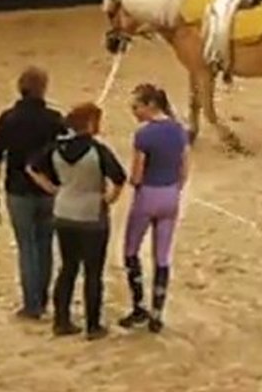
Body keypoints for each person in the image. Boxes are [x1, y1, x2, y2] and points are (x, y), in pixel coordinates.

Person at [28, 103, 127, 340]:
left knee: (68, 268)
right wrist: (109, 199)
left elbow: (32, 167)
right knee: (93, 272)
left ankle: (62, 321)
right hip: (92, 214)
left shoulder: (56, 148)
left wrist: (53, 189)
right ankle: (93, 325)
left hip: (64, 212)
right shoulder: (98, 150)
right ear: (91, 124)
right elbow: (119, 178)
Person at [0, 67, 65, 319]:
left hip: (19, 190)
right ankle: (42, 298)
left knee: (26, 247)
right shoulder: (54, 118)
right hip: (48, 190)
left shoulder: (9, 118)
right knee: (45, 245)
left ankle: (32, 305)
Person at [119, 84, 189, 334]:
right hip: (170, 195)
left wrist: (133, 182)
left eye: (137, 107)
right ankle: (158, 313)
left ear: (150, 105)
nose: (134, 112)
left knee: (130, 251)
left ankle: (139, 306)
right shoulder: (178, 130)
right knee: (162, 255)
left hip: (147, 195)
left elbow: (137, 175)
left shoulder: (144, 135)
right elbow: (184, 170)